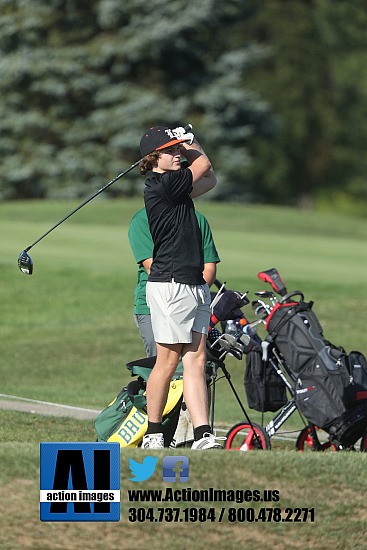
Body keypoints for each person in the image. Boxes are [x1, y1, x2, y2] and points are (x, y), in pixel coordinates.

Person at [138, 124, 223, 450]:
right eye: (170, 150)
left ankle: (203, 434)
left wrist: (187, 139)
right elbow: (201, 165)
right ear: (153, 158)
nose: (177, 155)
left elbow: (210, 178)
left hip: (194, 284)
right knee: (168, 361)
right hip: (170, 284)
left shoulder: (175, 186)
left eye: (178, 150)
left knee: (196, 359)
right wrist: (188, 140)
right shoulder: (161, 185)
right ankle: (154, 433)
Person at [128, 207, 220, 358]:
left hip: (194, 304)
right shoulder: (143, 219)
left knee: (194, 364)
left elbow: (209, 267)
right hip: (155, 307)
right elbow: (154, 269)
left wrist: (193, 297)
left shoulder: (198, 218)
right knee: (166, 365)